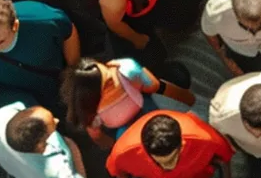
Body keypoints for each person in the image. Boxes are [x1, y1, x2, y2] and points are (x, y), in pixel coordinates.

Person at [0, 0, 80, 149]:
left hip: (54, 77)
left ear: (15, 26)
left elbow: (68, 32)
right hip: (18, 93)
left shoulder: (44, 19)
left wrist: (73, 73)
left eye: (0, 42)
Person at [107, 109, 236, 178]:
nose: (168, 167)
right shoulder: (125, 151)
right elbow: (117, 170)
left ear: (182, 143)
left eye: (172, 158)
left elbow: (224, 156)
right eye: (158, 161)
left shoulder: (203, 138)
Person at [61, 56, 195, 147]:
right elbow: (100, 139)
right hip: (127, 132)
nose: (113, 75)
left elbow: (155, 85)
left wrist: (132, 70)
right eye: (107, 83)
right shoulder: (90, 112)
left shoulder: (125, 72)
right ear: (92, 96)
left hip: (146, 109)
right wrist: (118, 148)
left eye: (108, 68)